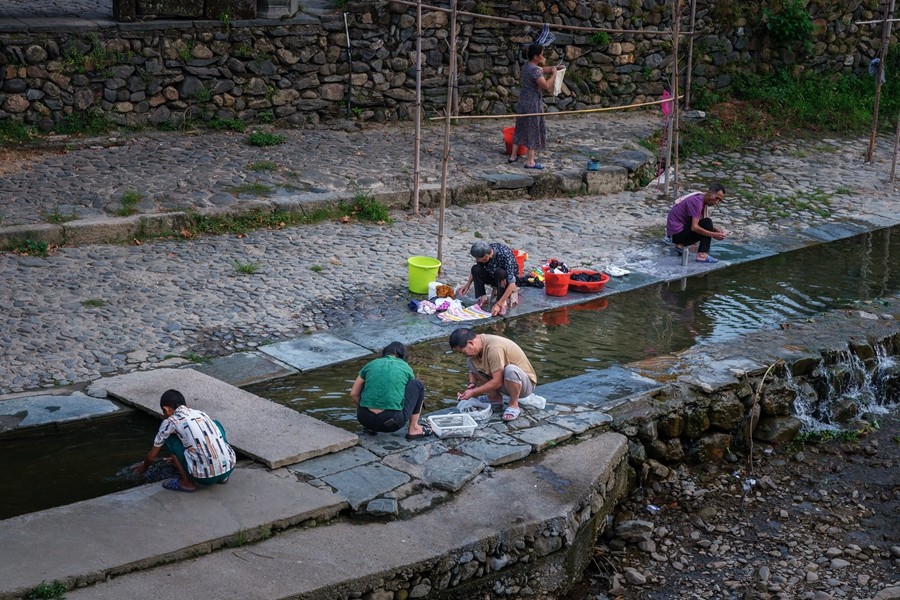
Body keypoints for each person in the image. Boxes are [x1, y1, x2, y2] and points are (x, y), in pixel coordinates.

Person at [134, 389, 236, 493]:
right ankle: (223, 475)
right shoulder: (200, 413)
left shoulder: (169, 422)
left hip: (204, 477)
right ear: (186, 405)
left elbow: (151, 457)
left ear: (165, 409)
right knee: (215, 424)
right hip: (229, 468)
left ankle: (187, 483)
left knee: (169, 439)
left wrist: (144, 468)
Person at [449, 328, 538, 422]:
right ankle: (494, 396)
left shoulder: (494, 348)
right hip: (505, 383)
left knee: (510, 370)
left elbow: (497, 382)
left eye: (463, 352)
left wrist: (474, 392)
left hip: (524, 385)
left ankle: (513, 404)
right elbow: (472, 371)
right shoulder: (476, 350)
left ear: (470, 343)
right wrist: (472, 384)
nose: (464, 355)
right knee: (470, 361)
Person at [350, 341, 431, 440]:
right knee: (417, 384)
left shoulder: (371, 364)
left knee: (367, 381)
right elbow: (410, 393)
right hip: (391, 422)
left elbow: (353, 394)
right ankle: (414, 428)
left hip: (365, 419)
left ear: (384, 353)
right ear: (404, 356)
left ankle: (370, 428)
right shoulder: (405, 367)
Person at [508, 43, 563, 170]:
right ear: (536, 57)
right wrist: (554, 75)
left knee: (520, 127)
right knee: (533, 130)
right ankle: (530, 161)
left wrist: (554, 68)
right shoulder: (534, 70)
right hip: (532, 103)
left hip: (523, 101)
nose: (543, 56)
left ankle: (513, 156)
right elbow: (546, 85)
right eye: (541, 55)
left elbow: (542, 70)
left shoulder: (527, 66)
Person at [665, 183, 728, 263]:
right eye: (716, 198)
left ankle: (680, 245)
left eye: (719, 200)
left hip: (675, 233)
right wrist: (713, 235)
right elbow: (694, 227)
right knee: (707, 222)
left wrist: (717, 231)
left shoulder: (700, 199)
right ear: (709, 192)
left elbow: (699, 221)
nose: (716, 202)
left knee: (707, 223)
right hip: (676, 235)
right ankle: (702, 255)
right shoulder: (697, 202)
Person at [458, 240, 519, 317]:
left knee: (500, 273)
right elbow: (477, 269)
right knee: (475, 268)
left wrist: (499, 304)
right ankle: (484, 299)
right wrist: (467, 285)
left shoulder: (505, 255)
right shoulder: (485, 251)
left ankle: (502, 302)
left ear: (486, 256)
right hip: (491, 274)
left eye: (477, 258)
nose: (476, 260)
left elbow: (512, 284)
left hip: (504, 279)